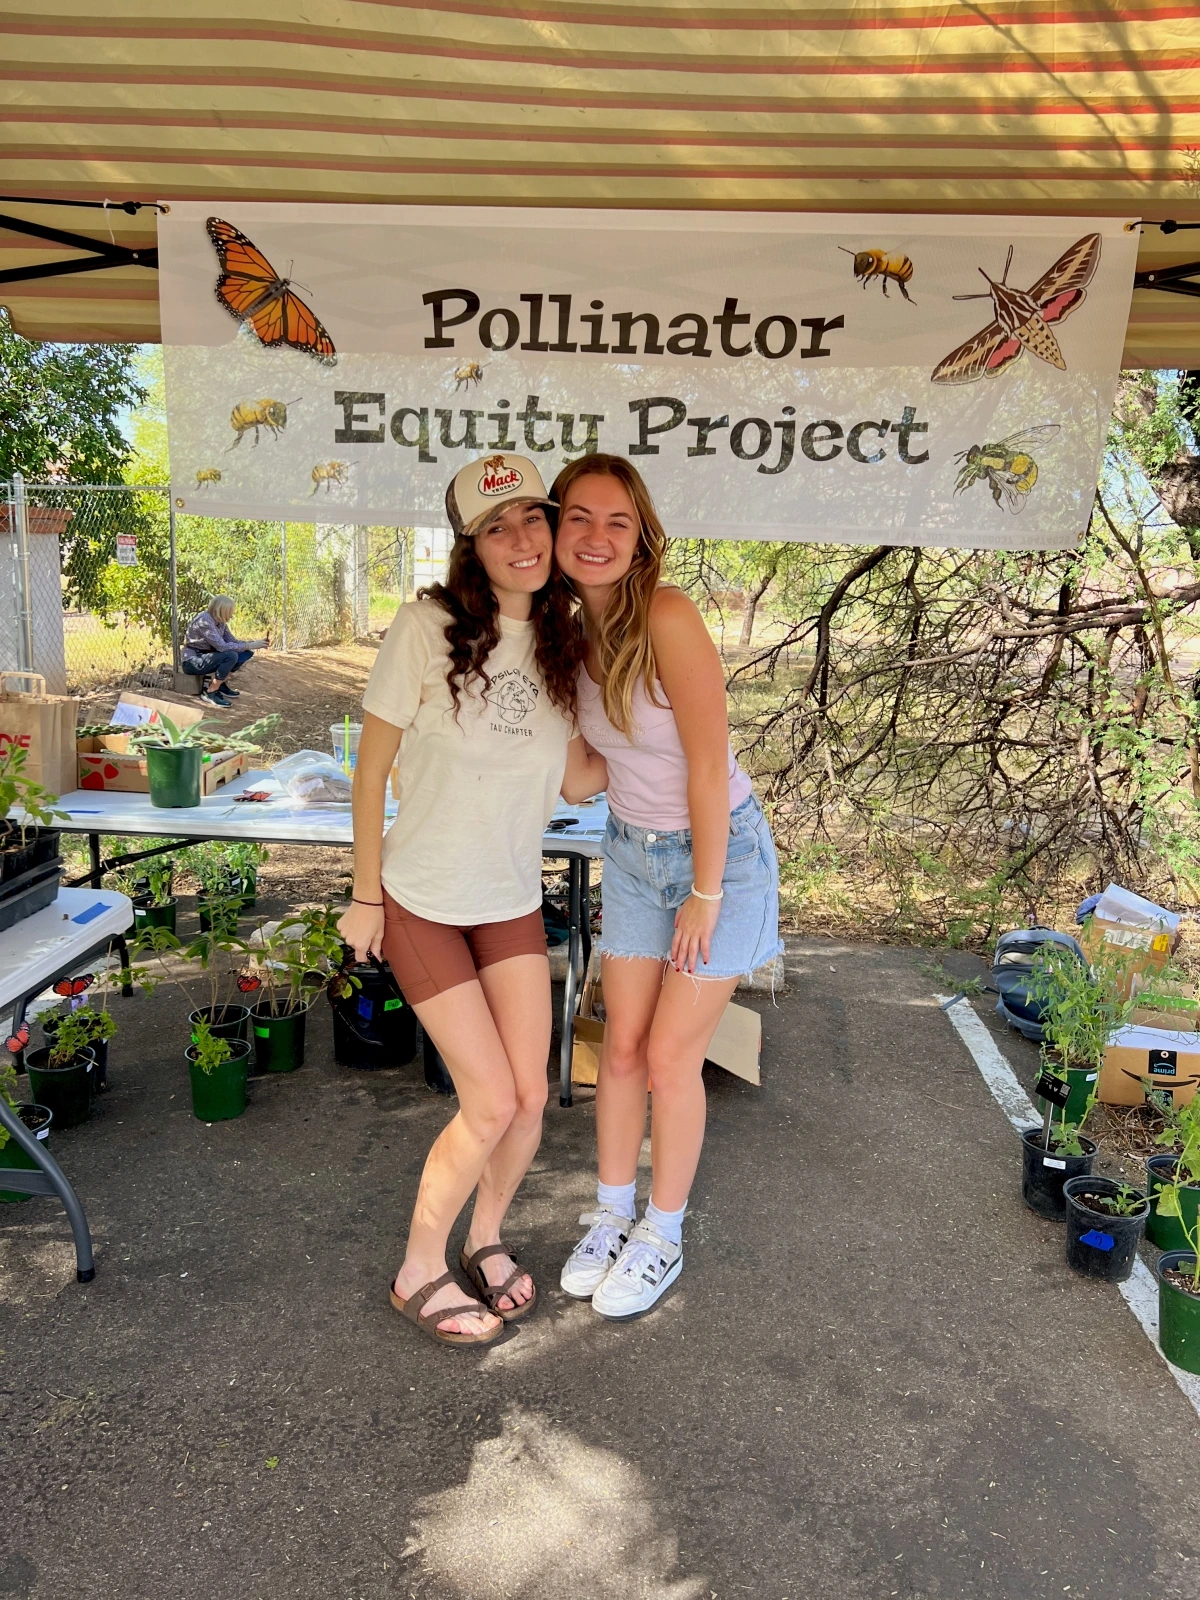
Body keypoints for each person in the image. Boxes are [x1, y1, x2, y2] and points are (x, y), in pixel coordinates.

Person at [338, 453, 606, 1348]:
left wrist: (676, 738)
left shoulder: (569, 644)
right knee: (488, 1100)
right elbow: (371, 767)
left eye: (534, 517)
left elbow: (578, 775)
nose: (522, 539)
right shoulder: (427, 627)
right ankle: (419, 1268)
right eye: (498, 526)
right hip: (420, 899)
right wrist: (364, 896)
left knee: (531, 1096)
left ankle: (485, 1237)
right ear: (471, 546)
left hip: (507, 901)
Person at [553, 455, 782, 1321]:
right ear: (557, 529)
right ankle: (611, 1216)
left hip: (714, 858)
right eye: (579, 518)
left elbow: (706, 764)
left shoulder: (670, 617)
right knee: (616, 1046)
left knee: (668, 1058)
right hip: (632, 852)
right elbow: (582, 779)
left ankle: (662, 1234)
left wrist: (709, 893)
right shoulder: (572, 639)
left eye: (617, 521)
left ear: (642, 532)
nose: (598, 536)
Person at [182, 595, 269, 707]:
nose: (231, 615)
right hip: (192, 661)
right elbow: (222, 647)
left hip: (207, 656)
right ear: (222, 610)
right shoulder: (204, 621)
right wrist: (249, 645)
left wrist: (256, 644)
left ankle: (220, 684)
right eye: (230, 612)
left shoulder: (220, 621)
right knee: (231, 655)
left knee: (245, 652)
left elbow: (233, 641)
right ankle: (210, 691)